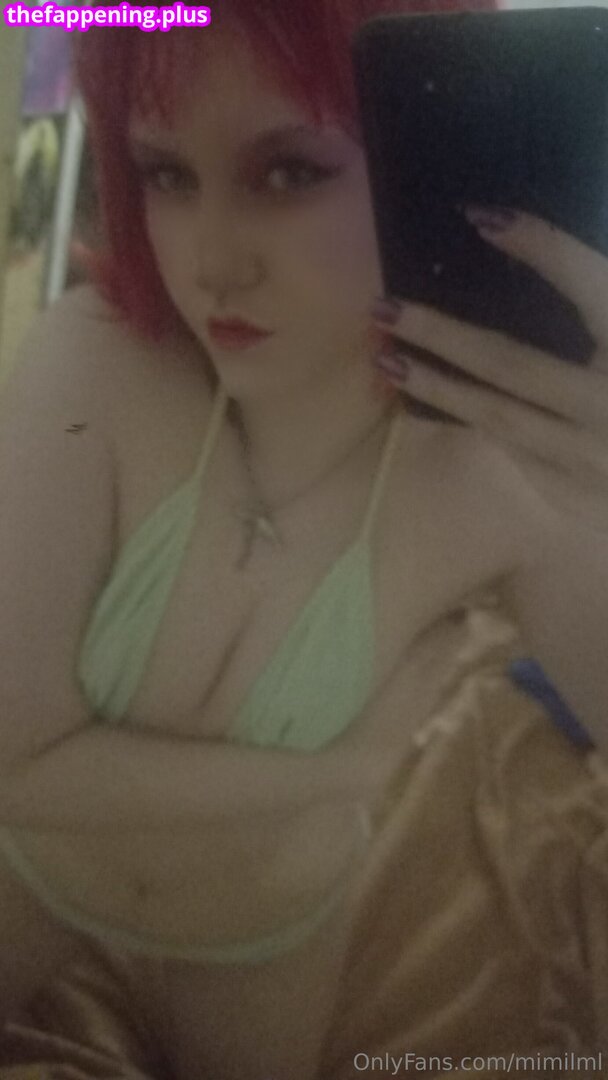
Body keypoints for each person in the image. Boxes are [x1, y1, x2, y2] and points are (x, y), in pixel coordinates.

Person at [1, 0, 608, 1077]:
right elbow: (12, 768)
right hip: (39, 880)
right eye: (166, 173)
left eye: (288, 172)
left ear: (433, 162)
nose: (211, 263)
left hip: (265, 930)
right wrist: (342, 773)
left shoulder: (493, 473)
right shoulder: (96, 365)